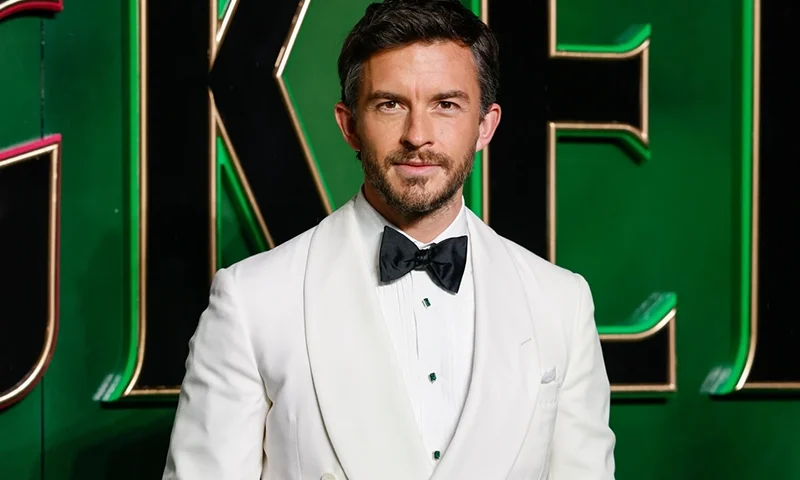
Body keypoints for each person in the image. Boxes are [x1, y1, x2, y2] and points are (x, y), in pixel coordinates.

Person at [161, 0, 615, 478]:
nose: (418, 135)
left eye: (446, 105)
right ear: (349, 125)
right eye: (391, 104)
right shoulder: (252, 302)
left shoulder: (561, 303)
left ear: (485, 125)